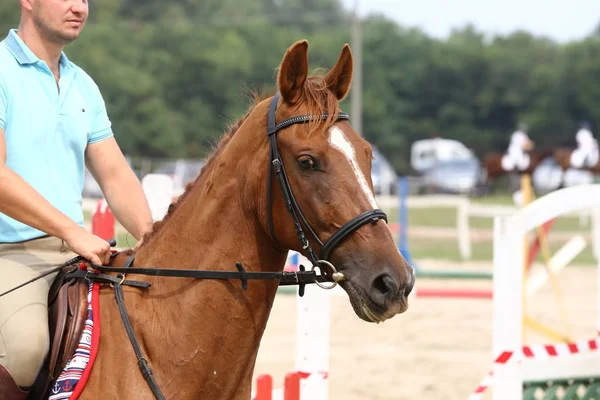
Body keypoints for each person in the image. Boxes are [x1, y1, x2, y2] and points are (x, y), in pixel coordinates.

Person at [0, 0, 154, 396]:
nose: (80, 7)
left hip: (75, 251)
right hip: (9, 252)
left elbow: (116, 175)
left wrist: (153, 236)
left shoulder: (83, 84)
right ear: (28, 2)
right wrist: (73, 231)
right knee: (24, 348)